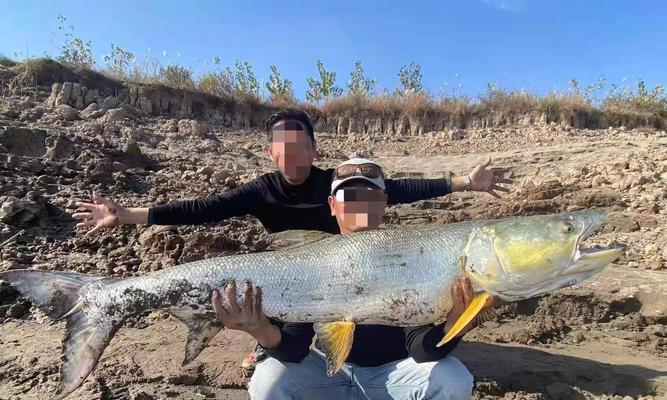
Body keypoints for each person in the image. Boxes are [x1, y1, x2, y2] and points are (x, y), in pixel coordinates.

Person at [72, 109, 510, 374]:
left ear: (315, 151)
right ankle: (269, 343)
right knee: (270, 314)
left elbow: (398, 189)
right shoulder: (260, 191)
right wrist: (127, 215)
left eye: (300, 145)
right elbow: (205, 209)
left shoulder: (337, 184)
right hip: (291, 266)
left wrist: (462, 183)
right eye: (282, 146)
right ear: (270, 153)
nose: (292, 154)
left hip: (353, 263)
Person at [212, 158, 487, 399]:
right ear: (333, 205)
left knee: (453, 379)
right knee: (267, 379)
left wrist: (455, 326)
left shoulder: (408, 256)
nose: (360, 203)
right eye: (350, 196)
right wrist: (259, 330)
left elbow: (420, 349)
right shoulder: (317, 260)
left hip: (393, 377)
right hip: (326, 376)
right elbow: (295, 347)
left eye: (369, 195)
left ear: (384, 203)